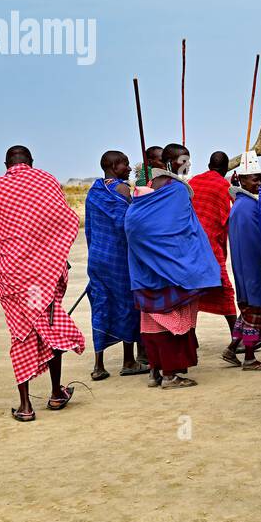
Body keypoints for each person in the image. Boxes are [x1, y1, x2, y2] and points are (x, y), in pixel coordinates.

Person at [0, 145, 85, 420]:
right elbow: (67, 220)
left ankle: (25, 406)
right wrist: (50, 251)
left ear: (5, 164)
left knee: (22, 331)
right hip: (43, 277)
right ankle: (56, 393)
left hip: (14, 276)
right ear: (32, 162)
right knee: (49, 324)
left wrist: (11, 249)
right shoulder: (46, 180)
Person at [124, 143, 222, 389]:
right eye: (182, 161)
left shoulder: (144, 188)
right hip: (173, 268)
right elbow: (176, 230)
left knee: (152, 321)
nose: (186, 165)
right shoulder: (175, 189)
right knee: (172, 319)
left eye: (188, 160)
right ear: (169, 162)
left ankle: (155, 372)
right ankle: (170, 375)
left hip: (147, 266)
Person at [85, 150, 148, 380]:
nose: (130, 169)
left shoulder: (94, 191)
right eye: (125, 164)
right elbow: (128, 225)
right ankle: (129, 361)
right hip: (119, 259)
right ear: (113, 165)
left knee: (101, 305)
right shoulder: (121, 190)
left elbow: (90, 228)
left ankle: (98, 365)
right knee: (126, 305)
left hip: (98, 258)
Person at [225, 157, 261, 371]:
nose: (258, 183)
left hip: (243, 266)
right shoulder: (248, 208)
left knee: (247, 311)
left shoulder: (241, 205)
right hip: (253, 266)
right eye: (255, 179)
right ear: (243, 180)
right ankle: (249, 358)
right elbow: (256, 241)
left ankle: (232, 347)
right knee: (255, 309)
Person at [189, 151, 239, 342]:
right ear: (225, 168)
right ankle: (236, 337)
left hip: (190, 245)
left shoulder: (193, 181)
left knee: (190, 292)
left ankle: (190, 337)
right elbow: (229, 220)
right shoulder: (223, 186)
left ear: (209, 165)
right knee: (225, 288)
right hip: (210, 247)